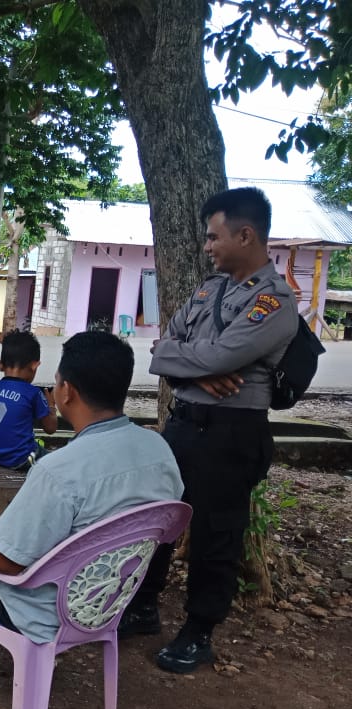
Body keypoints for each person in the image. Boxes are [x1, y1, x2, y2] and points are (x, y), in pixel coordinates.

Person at [0, 331, 182, 681]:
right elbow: (169, 526)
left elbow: (6, 557)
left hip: (44, 610)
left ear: (67, 392)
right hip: (109, 602)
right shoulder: (159, 450)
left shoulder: (59, 469)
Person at [122, 187, 297, 674]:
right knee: (158, 517)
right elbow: (159, 350)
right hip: (183, 423)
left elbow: (212, 356)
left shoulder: (273, 302)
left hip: (231, 431)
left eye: (213, 237)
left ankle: (199, 631)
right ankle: (143, 607)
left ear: (246, 235)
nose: (207, 246)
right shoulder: (208, 290)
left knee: (217, 531)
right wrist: (191, 370)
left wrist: (184, 361)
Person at [0, 331, 59, 470]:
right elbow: (51, 428)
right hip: (20, 458)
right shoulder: (32, 393)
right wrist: (51, 405)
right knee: (58, 463)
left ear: (0, 365)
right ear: (35, 365)